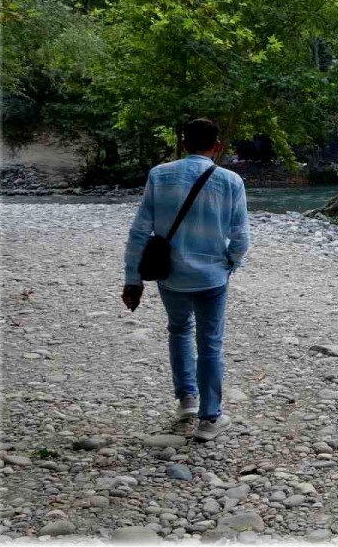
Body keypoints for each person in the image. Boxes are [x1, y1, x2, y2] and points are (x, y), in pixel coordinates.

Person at [122, 118, 250, 441]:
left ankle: (187, 400)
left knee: (179, 330)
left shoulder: (159, 175)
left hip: (171, 276)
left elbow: (140, 231)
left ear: (182, 142)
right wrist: (230, 263)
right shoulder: (231, 180)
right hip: (212, 277)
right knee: (210, 343)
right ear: (217, 146)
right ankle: (210, 419)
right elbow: (240, 237)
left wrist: (132, 278)